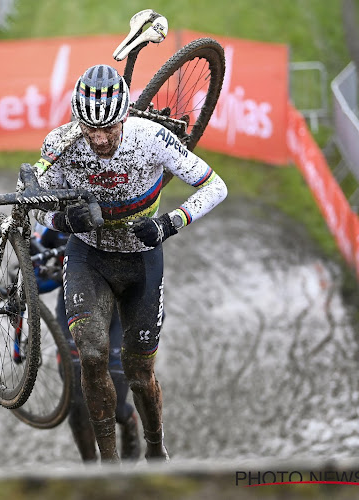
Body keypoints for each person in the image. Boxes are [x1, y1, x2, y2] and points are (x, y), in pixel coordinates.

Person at [33, 64, 227, 463]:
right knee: (90, 354)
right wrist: (62, 220)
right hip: (89, 257)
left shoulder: (152, 138)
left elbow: (215, 185)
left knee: (139, 375)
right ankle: (108, 465)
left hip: (141, 261)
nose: (100, 139)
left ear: (125, 116)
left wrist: (171, 222)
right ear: (77, 120)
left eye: (110, 129)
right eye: (91, 130)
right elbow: (34, 204)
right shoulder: (61, 144)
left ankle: (155, 444)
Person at [32, 225, 141, 462]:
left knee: (113, 406)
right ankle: (91, 469)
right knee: (77, 400)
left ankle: (128, 421)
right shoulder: (56, 222)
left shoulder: (124, 209)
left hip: (120, 316)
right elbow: (33, 273)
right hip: (76, 312)